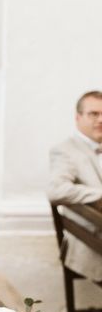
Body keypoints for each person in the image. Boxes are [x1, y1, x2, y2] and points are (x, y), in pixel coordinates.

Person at [47, 90, 102, 282]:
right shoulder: (65, 151)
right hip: (91, 241)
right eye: (93, 114)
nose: (100, 120)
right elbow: (55, 190)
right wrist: (99, 194)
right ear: (78, 118)